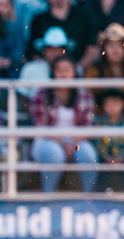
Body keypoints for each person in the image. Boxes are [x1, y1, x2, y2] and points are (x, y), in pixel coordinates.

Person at [30, 55, 98, 193]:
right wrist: (63, 144)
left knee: (89, 156)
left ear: (74, 73)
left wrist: (71, 144)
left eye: (67, 70)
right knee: (55, 155)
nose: (63, 74)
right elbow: (41, 126)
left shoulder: (84, 94)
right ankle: (48, 196)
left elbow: (87, 126)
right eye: (59, 70)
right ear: (53, 73)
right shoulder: (42, 94)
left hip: (77, 140)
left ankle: (87, 197)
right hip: (47, 140)